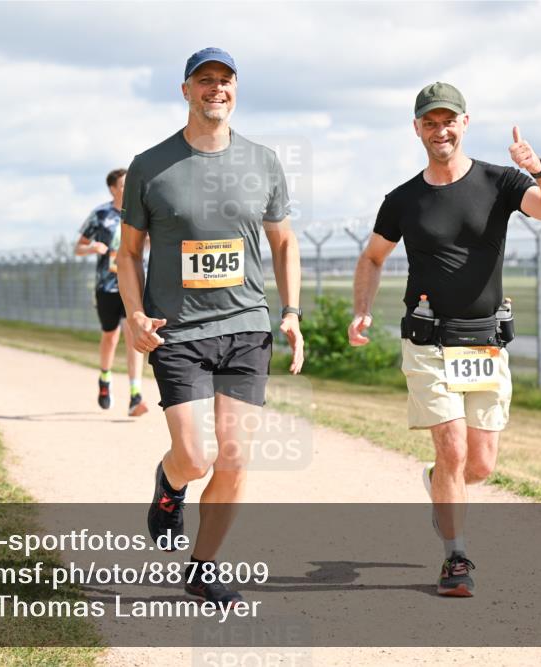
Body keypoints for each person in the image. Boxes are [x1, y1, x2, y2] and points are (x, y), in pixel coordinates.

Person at [349, 82, 541, 597]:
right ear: (417, 129)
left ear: (465, 123)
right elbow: (372, 258)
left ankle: (438, 486)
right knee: (452, 447)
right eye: (430, 122)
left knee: (479, 464)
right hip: (429, 340)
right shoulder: (403, 200)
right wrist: (361, 310)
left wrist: (537, 167)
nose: (440, 130)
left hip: (485, 344)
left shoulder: (502, 183)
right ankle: (456, 559)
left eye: (448, 120)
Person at [117, 48, 304, 606]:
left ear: (235, 91)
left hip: (247, 325)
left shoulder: (264, 161)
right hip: (177, 331)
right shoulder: (151, 166)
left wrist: (291, 312)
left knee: (235, 456)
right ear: (186, 90)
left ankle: (204, 566)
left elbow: (285, 242)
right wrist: (132, 313)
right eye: (205, 81)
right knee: (195, 458)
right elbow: (129, 254)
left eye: (225, 81)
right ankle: (171, 485)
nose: (215, 89)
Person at [75, 168, 150, 417]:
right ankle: (105, 379)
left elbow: (148, 241)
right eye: (123, 184)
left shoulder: (140, 211)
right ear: (112, 188)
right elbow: (78, 247)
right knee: (111, 337)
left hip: (134, 283)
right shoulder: (101, 214)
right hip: (106, 285)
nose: (128, 188)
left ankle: (135, 395)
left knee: (133, 334)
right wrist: (92, 248)